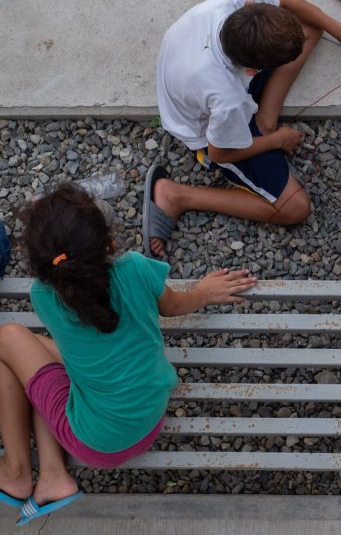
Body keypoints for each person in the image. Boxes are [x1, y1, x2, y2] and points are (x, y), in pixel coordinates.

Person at [0, 184, 254, 525]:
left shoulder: (44, 297)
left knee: (8, 339)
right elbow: (174, 306)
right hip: (149, 417)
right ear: (110, 243)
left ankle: (17, 473)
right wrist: (203, 293)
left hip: (96, 441)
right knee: (33, 355)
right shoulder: (136, 268)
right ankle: (50, 477)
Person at [146, 0, 341, 257]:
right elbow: (220, 153)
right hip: (204, 129)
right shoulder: (226, 97)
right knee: (295, 208)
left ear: (250, 6)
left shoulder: (233, 1)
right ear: (253, 72)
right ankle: (176, 195)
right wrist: (277, 140)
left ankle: (264, 120)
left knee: (309, 29)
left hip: (197, 76)